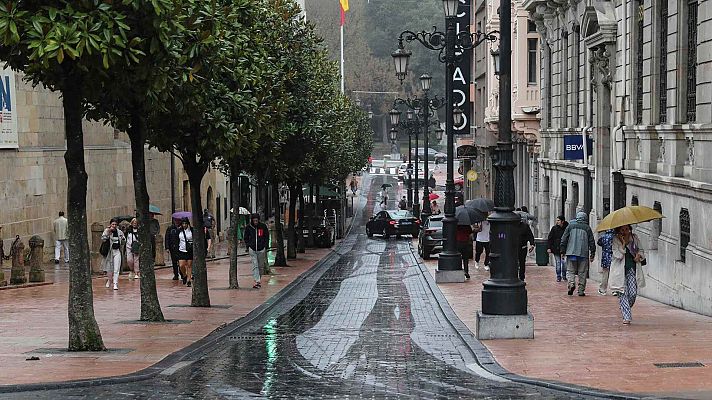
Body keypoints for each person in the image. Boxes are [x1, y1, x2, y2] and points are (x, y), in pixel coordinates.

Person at [610, 225, 646, 325]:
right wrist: (623, 245)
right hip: (619, 271)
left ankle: (624, 306)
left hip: (632, 269)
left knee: (633, 293)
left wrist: (639, 255)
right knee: (622, 292)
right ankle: (626, 317)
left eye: (627, 229)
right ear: (619, 230)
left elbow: (641, 251)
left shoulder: (634, 238)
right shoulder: (615, 240)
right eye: (622, 230)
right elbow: (618, 255)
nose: (625, 231)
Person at [560, 211, 596, 296]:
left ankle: (571, 283)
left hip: (571, 252)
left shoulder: (570, 226)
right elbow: (591, 241)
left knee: (570, 271)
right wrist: (592, 253)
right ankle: (581, 290)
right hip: (583, 253)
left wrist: (562, 250)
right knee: (582, 272)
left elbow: (564, 239)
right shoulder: (587, 228)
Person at [244, 213, 269, 289]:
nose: (255, 222)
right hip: (252, 249)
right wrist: (248, 245)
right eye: (254, 220)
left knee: (261, 266)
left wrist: (265, 246)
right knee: (255, 265)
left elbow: (266, 236)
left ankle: (258, 279)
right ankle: (257, 281)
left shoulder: (263, 226)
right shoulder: (249, 227)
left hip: (261, 249)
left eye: (256, 220)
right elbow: (246, 237)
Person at [102, 218, 125, 290]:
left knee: (116, 268)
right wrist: (108, 232)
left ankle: (115, 283)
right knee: (109, 269)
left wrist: (123, 239)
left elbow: (123, 241)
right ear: (110, 224)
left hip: (117, 251)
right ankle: (109, 280)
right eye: (113, 224)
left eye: (115, 224)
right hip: (109, 252)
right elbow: (103, 239)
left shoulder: (119, 232)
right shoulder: (107, 230)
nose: (114, 226)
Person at [547, 215, 568, 282]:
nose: (557, 222)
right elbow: (550, 238)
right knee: (558, 263)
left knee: (564, 263)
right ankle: (558, 276)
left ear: (562, 221)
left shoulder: (567, 228)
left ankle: (564, 275)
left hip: (564, 249)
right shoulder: (554, 228)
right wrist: (549, 247)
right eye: (557, 220)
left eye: (558, 220)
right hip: (556, 248)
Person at [517, 216, 535, 281]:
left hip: (522, 247)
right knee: (514, 263)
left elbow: (530, 235)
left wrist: (532, 244)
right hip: (513, 248)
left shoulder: (525, 226)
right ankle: (514, 276)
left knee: (522, 263)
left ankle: (522, 277)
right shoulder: (511, 226)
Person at [597, 229, 615, 295]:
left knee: (605, 274)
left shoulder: (603, 236)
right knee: (614, 274)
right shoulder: (615, 236)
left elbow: (599, 243)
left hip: (605, 257)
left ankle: (603, 289)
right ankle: (614, 290)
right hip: (613, 256)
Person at [177, 218, 194, 287]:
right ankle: (184, 275)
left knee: (189, 265)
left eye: (185, 223)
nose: (184, 225)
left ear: (188, 224)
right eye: (183, 223)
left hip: (189, 250)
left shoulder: (192, 230)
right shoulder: (179, 231)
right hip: (181, 250)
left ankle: (189, 280)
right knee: (181, 265)